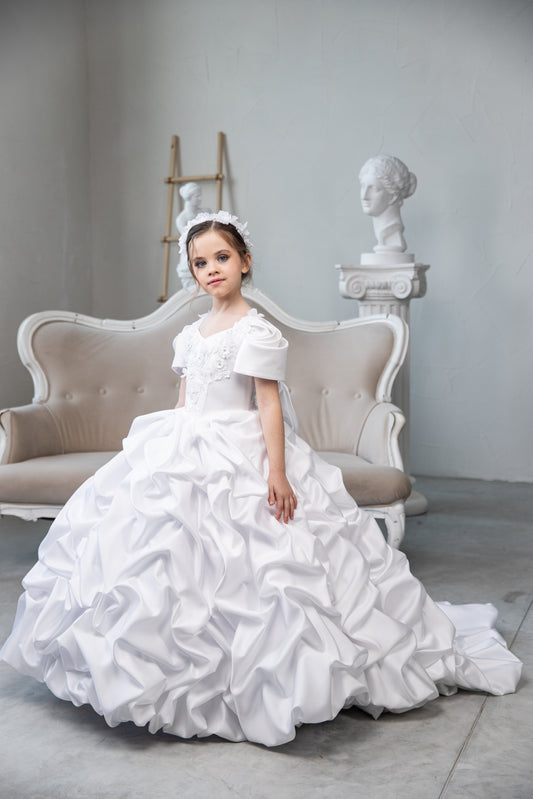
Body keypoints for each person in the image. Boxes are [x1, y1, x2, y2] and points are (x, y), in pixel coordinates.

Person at [0, 211, 521, 747]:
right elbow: (185, 401)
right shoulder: (190, 334)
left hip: (244, 449)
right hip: (186, 443)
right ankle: (159, 666)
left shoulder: (257, 330)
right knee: (163, 554)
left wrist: (278, 472)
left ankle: (254, 673)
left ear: (245, 262)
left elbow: (267, 404)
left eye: (222, 257)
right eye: (199, 262)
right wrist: (164, 444)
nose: (211, 269)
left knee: (262, 569)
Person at [359, 155, 417, 253]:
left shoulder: (393, 238)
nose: (364, 196)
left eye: (373, 188)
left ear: (393, 196)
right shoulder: (380, 236)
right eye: (363, 186)